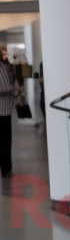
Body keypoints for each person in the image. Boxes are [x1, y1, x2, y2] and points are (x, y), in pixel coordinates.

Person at [0, 46, 20, 177]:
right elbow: (4, 86)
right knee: (3, 140)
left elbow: (14, 81)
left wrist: (17, 90)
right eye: (3, 53)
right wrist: (11, 91)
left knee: (6, 140)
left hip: (7, 108)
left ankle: (6, 168)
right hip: (1, 108)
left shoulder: (9, 67)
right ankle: (5, 168)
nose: (6, 55)